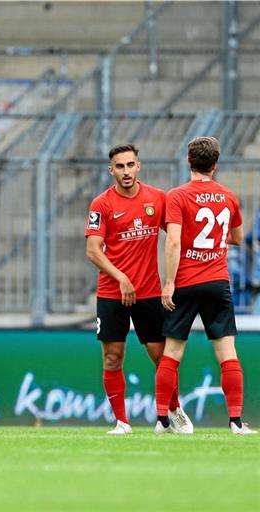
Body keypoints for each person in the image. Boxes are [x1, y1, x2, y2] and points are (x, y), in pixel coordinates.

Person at [85, 143, 192, 435]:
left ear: (139, 166)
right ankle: (122, 422)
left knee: (161, 357)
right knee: (112, 357)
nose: (126, 171)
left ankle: (174, 411)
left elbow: (175, 237)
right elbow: (93, 251)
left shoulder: (157, 199)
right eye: (120, 167)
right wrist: (120, 277)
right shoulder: (101, 204)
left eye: (130, 165)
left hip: (148, 292)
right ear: (112, 171)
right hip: (111, 293)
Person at [156, 136, 256, 435]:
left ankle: (163, 420)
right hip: (217, 280)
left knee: (172, 353)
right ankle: (236, 423)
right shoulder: (227, 196)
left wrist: (169, 282)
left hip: (185, 281)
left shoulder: (177, 195)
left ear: (189, 161)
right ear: (215, 164)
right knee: (227, 353)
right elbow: (238, 238)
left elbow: (173, 240)